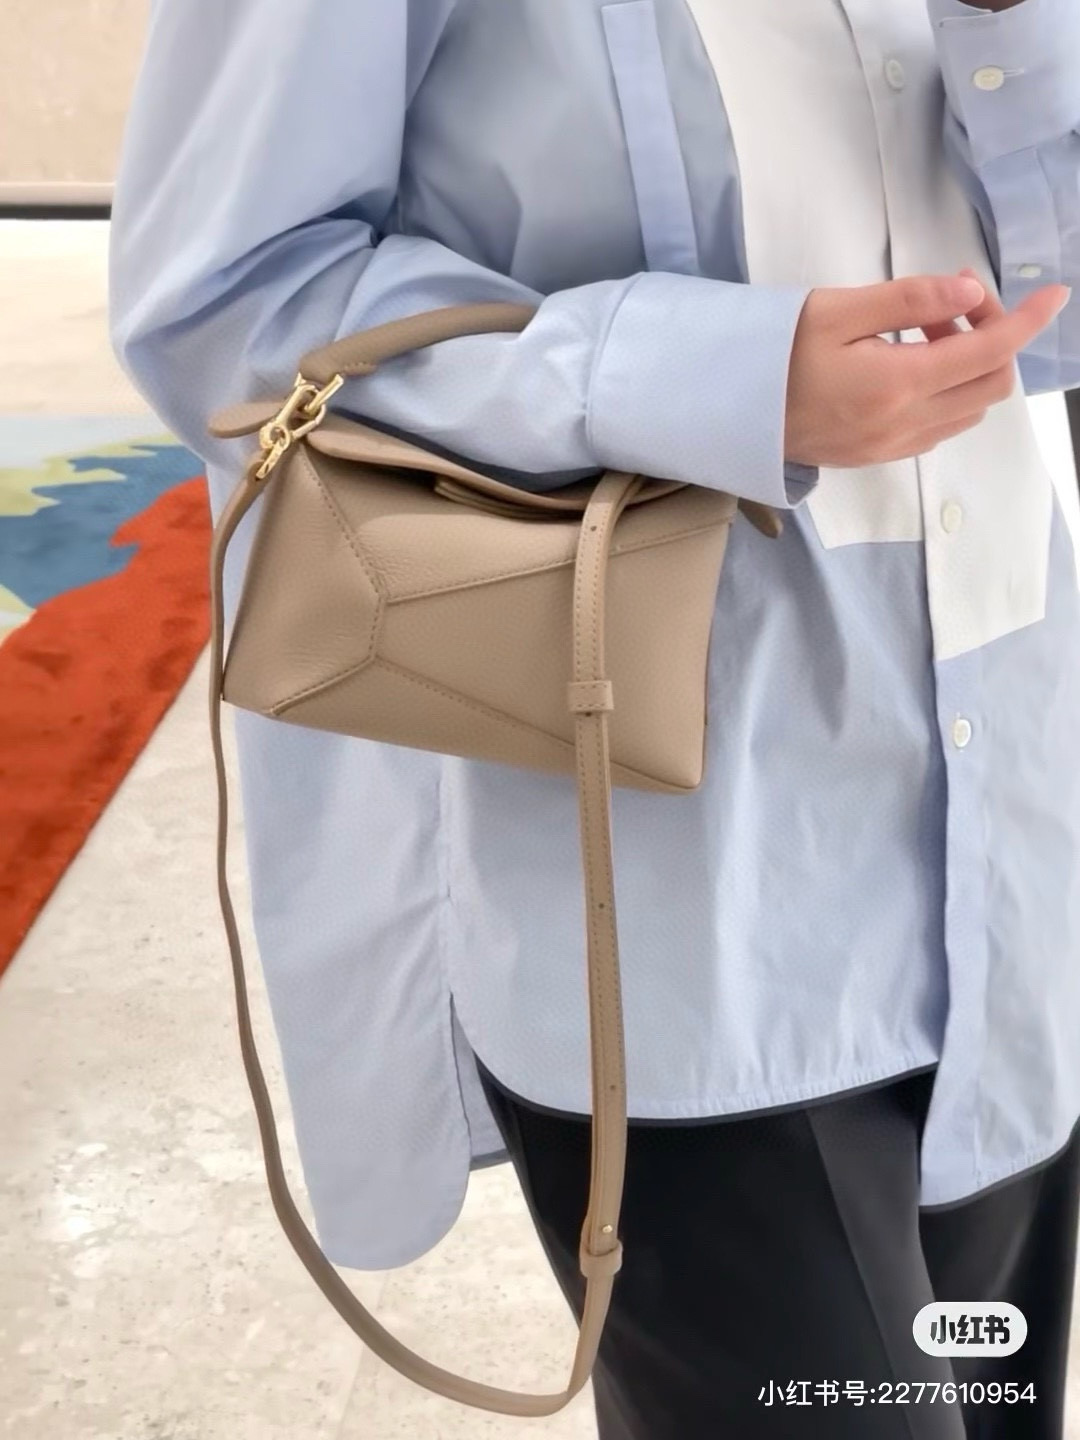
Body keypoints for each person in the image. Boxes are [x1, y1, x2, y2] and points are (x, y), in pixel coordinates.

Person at [108, 0, 1080, 1435]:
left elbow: (1048, 312)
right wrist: (717, 378)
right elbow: (222, 305)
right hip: (678, 906)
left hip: (1010, 843)